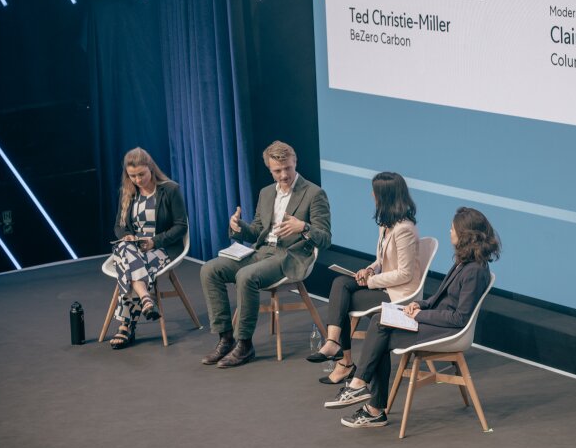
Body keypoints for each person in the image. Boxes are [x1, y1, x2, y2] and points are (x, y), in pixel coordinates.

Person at [324, 207, 499, 428]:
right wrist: (419, 304)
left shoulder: (475, 271)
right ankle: (368, 400)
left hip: (447, 330)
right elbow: (439, 297)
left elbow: (459, 318)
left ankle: (368, 398)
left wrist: (421, 315)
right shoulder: (464, 263)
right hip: (433, 318)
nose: (449, 232)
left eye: (453, 229)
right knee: (380, 319)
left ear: (465, 235)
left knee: (380, 331)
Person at [199, 141, 331, 368]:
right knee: (209, 269)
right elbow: (257, 231)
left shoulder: (314, 193)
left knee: (246, 276)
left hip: (289, 256)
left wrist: (304, 227)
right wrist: (239, 226)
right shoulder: (267, 192)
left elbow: (326, 238)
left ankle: (244, 344)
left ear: (295, 163)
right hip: (261, 252)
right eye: (277, 171)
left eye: (287, 169)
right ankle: (225, 338)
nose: (283, 175)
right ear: (270, 170)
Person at [307, 172, 422, 384]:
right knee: (340, 282)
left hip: (400, 293)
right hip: (385, 285)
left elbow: (405, 274)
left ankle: (343, 360)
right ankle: (336, 349)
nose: (371, 195)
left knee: (343, 299)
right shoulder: (386, 224)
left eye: (375, 191)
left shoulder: (404, 229)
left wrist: (371, 281)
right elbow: (381, 260)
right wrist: (369, 270)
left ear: (385, 196)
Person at [109, 148, 188, 349]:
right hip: (134, 248)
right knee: (127, 251)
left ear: (151, 169)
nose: (137, 179)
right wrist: (126, 235)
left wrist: (155, 241)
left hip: (162, 248)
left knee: (127, 265)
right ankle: (146, 298)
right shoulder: (127, 193)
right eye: (132, 175)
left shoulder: (170, 190)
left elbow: (181, 226)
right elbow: (119, 226)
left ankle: (125, 326)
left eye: (141, 174)